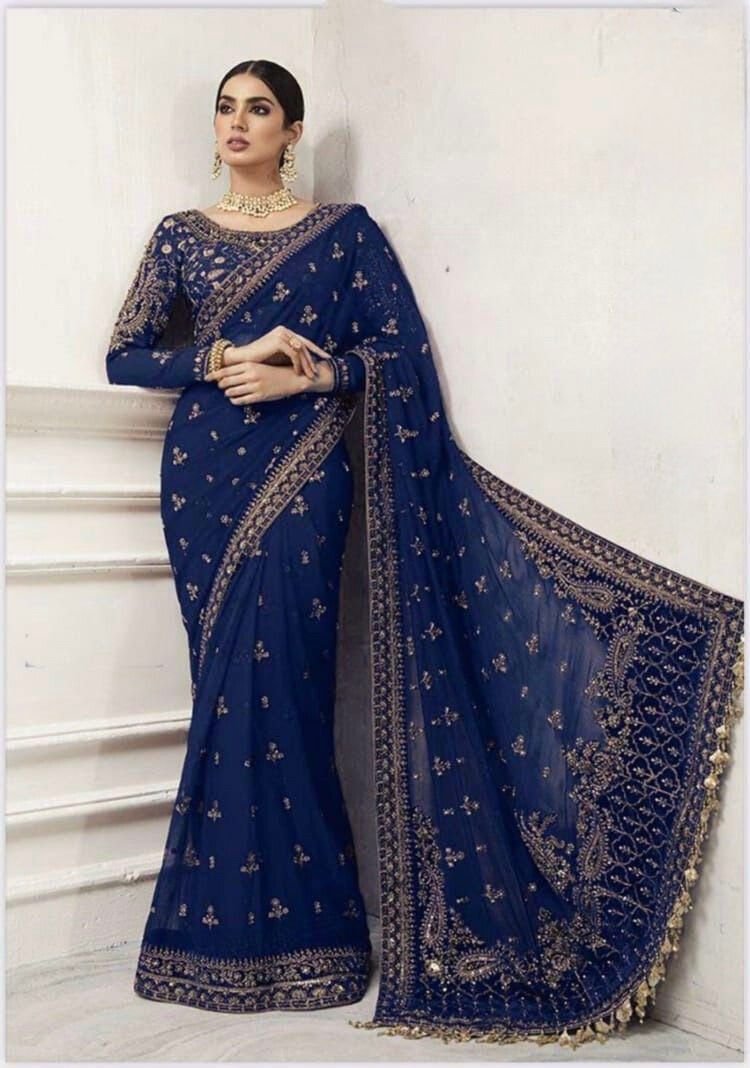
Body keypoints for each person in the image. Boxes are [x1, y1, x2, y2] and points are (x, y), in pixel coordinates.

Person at [105, 59, 744, 1048]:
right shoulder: (179, 236)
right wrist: (228, 356)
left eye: (259, 109)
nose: (237, 123)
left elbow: (398, 350)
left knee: (289, 691)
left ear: (293, 131)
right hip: (204, 484)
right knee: (223, 694)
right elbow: (124, 354)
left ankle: (317, 940)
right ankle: (212, 939)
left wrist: (312, 377)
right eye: (225, 108)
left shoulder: (343, 234)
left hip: (304, 476)